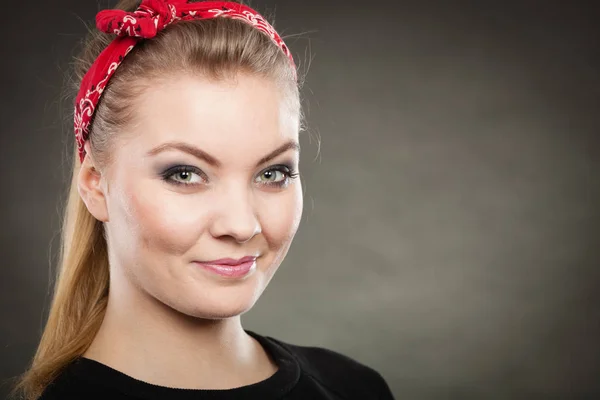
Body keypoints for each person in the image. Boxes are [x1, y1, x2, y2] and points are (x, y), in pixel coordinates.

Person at [11, 1, 395, 399]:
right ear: (95, 185)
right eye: (185, 174)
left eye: (272, 173)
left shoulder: (355, 388)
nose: (242, 225)